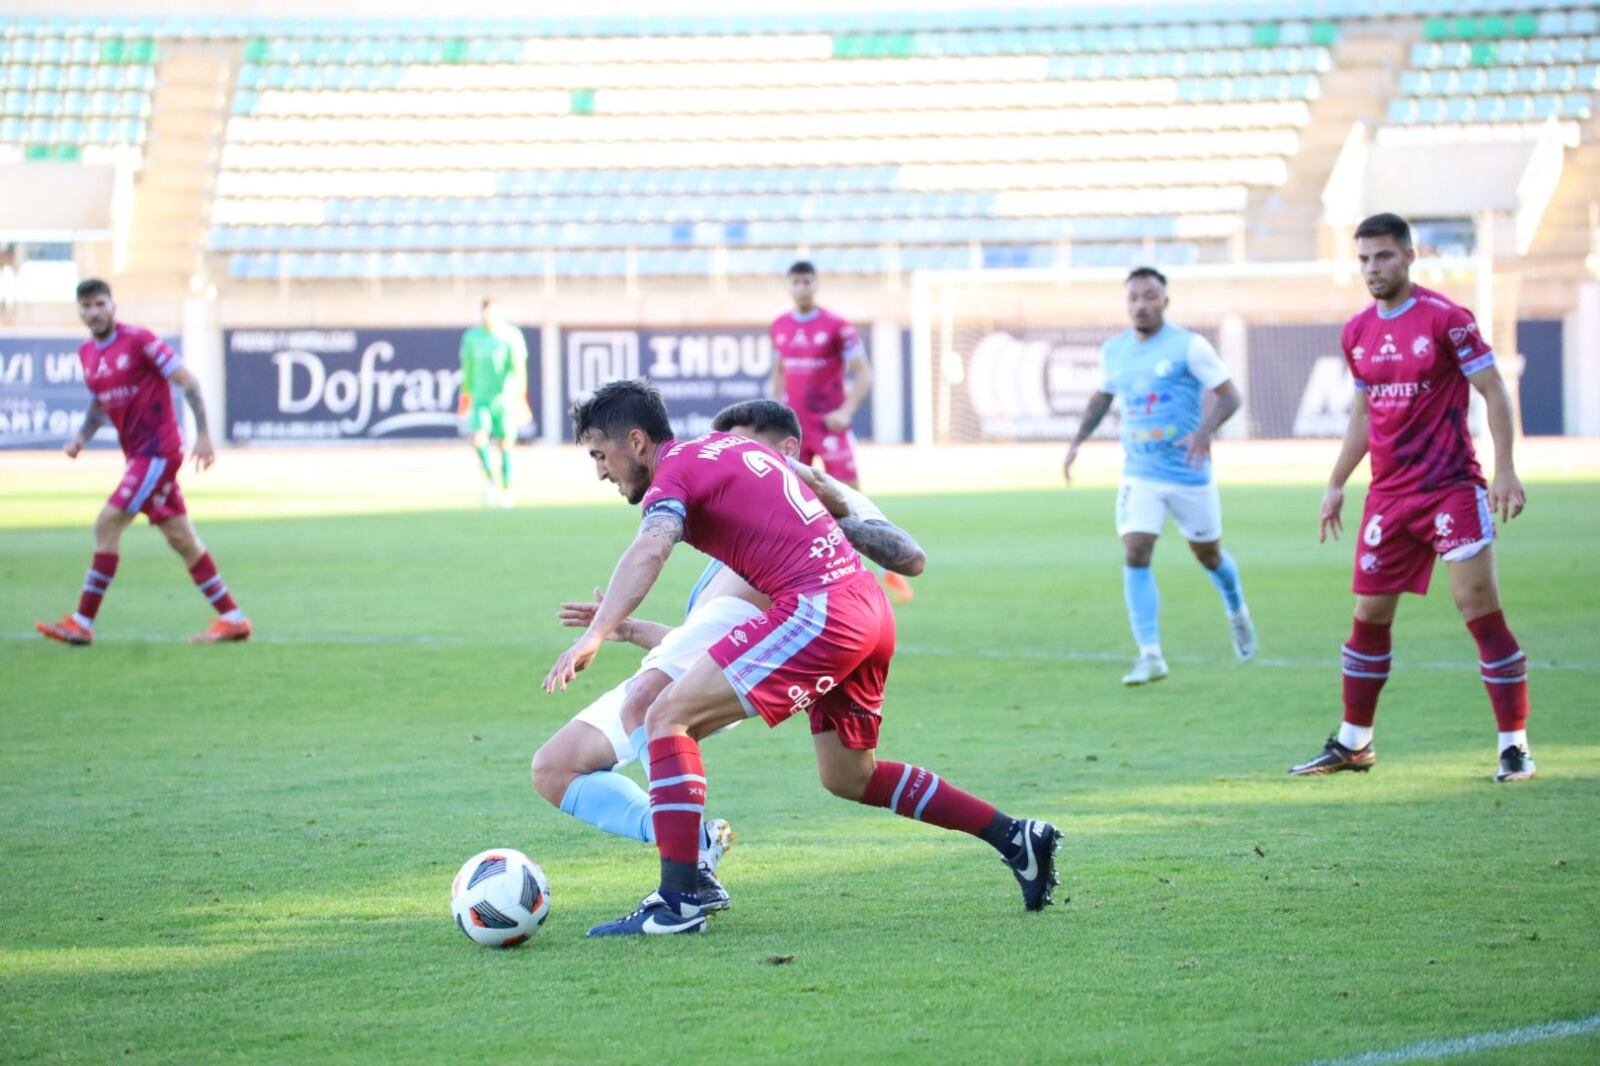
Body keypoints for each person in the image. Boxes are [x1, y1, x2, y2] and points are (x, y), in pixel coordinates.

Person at [543, 380, 1060, 937]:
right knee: (849, 776)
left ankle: (678, 900)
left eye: (601, 455)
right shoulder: (740, 450)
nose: (601, 472)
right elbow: (900, 552)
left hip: (818, 610)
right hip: (867, 607)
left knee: (666, 716)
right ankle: (1015, 838)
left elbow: (652, 545)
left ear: (638, 442)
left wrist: (594, 634)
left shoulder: (675, 473)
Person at [529, 399, 927, 913]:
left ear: (783, 453)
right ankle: (690, 844)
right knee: (553, 768)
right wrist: (624, 628)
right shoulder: (719, 485)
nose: (731, 455)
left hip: (800, 630)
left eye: (601, 456)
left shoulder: (799, 512)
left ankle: (683, 883)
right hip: (700, 653)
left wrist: (842, 510)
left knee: (654, 706)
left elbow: (908, 558)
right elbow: (696, 637)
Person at [1290, 213, 1533, 783]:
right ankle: (1354, 743)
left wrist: (1505, 471)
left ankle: (1514, 746)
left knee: (1480, 613)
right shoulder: (1357, 331)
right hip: (1388, 498)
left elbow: (1494, 390)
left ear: (1408, 256)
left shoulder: (1447, 320)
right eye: (1365, 260)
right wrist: (1336, 482)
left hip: (1449, 489)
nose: (1373, 269)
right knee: (1368, 616)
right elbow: (1362, 415)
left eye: (1383, 257)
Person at [1062, 266, 1256, 685]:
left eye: (1150, 296)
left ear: (1165, 301)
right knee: (1135, 550)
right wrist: (1077, 442)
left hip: (1188, 472)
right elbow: (1101, 398)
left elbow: (1230, 396)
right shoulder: (1114, 351)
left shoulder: (1190, 347)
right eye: (1133, 297)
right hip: (1140, 472)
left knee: (1208, 555)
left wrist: (1204, 432)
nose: (1141, 305)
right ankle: (1150, 655)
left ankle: (1234, 604)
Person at [35, 278, 250, 646]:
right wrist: (81, 439)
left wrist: (203, 435)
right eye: (86, 306)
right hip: (138, 456)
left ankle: (82, 622)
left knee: (106, 525)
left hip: (157, 452)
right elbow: (100, 403)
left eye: (100, 303)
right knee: (182, 539)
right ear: (79, 311)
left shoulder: (139, 340)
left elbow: (188, 381)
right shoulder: (87, 354)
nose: (94, 311)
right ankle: (233, 619)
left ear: (113, 306)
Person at [770, 260, 913, 604]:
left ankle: (881, 570)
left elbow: (865, 373)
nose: (801, 287)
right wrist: (775, 412)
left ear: (816, 284)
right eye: (796, 281)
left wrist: (846, 411)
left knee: (851, 498)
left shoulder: (836, 326)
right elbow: (778, 373)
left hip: (828, 425)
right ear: (789, 285)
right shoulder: (780, 326)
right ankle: (801, 575)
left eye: (807, 281)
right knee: (791, 499)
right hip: (795, 429)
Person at [458, 297, 530, 508]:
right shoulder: (472, 337)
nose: (489, 316)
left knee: (505, 442)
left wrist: (521, 399)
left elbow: (518, 370)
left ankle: (507, 488)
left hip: (504, 398)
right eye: (486, 312)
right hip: (481, 398)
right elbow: (467, 370)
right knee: (478, 438)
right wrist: (465, 398)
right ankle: (491, 481)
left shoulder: (511, 336)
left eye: (493, 312)